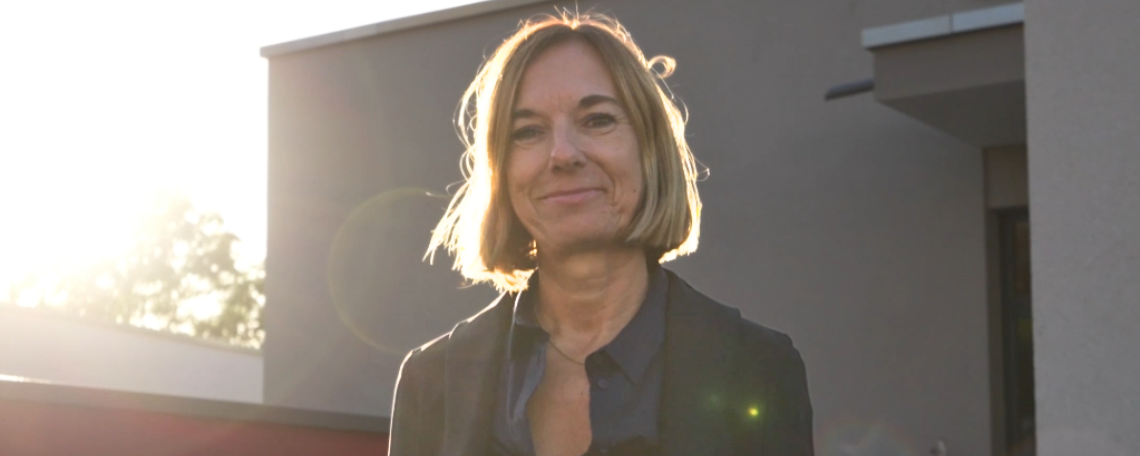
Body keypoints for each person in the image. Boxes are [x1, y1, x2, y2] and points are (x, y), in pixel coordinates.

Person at [389, 12, 813, 456]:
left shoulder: (757, 365)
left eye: (597, 120)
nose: (562, 154)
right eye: (528, 131)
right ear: (501, 170)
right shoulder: (431, 381)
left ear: (649, 148)